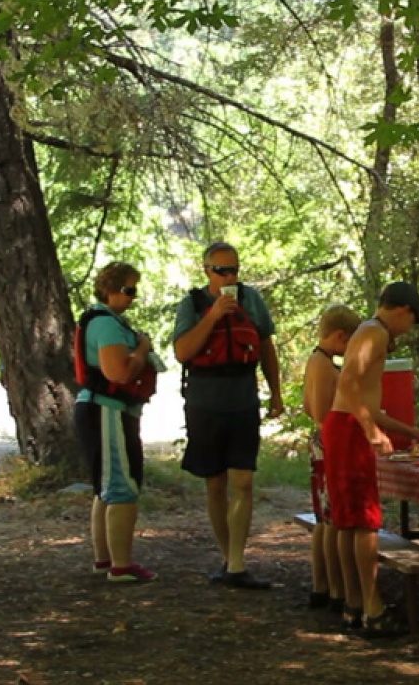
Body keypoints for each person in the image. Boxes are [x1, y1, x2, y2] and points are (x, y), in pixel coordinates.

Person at [322, 281, 419, 637]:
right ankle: (373, 606)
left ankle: (353, 604)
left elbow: (365, 401)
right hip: (350, 430)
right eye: (413, 321)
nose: (409, 329)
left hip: (343, 425)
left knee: (348, 521)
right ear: (403, 311)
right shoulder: (375, 333)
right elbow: (348, 387)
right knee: (366, 521)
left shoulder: (369, 332)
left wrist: (412, 432)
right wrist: (370, 432)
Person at [172, 242, 285, 589]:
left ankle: (237, 562)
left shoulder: (251, 300)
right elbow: (182, 352)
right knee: (216, 483)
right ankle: (227, 558)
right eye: (222, 271)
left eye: (234, 270)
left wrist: (276, 393)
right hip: (205, 401)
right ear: (207, 271)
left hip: (243, 397)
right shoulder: (191, 305)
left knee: (244, 481)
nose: (230, 276)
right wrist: (214, 315)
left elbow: (266, 346)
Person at [74, 262, 159, 583]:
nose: (133, 297)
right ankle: (121, 567)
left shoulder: (108, 321)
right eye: (129, 290)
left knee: (106, 489)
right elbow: (119, 372)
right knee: (122, 488)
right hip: (106, 411)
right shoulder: (106, 325)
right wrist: (142, 349)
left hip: (106, 411)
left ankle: (105, 559)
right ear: (109, 290)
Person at [301, 304, 362, 614]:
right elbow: (325, 412)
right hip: (330, 444)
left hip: (317, 442)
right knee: (335, 520)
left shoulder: (314, 361)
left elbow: (306, 406)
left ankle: (321, 584)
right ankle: (338, 589)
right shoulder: (327, 368)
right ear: (340, 337)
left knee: (323, 521)